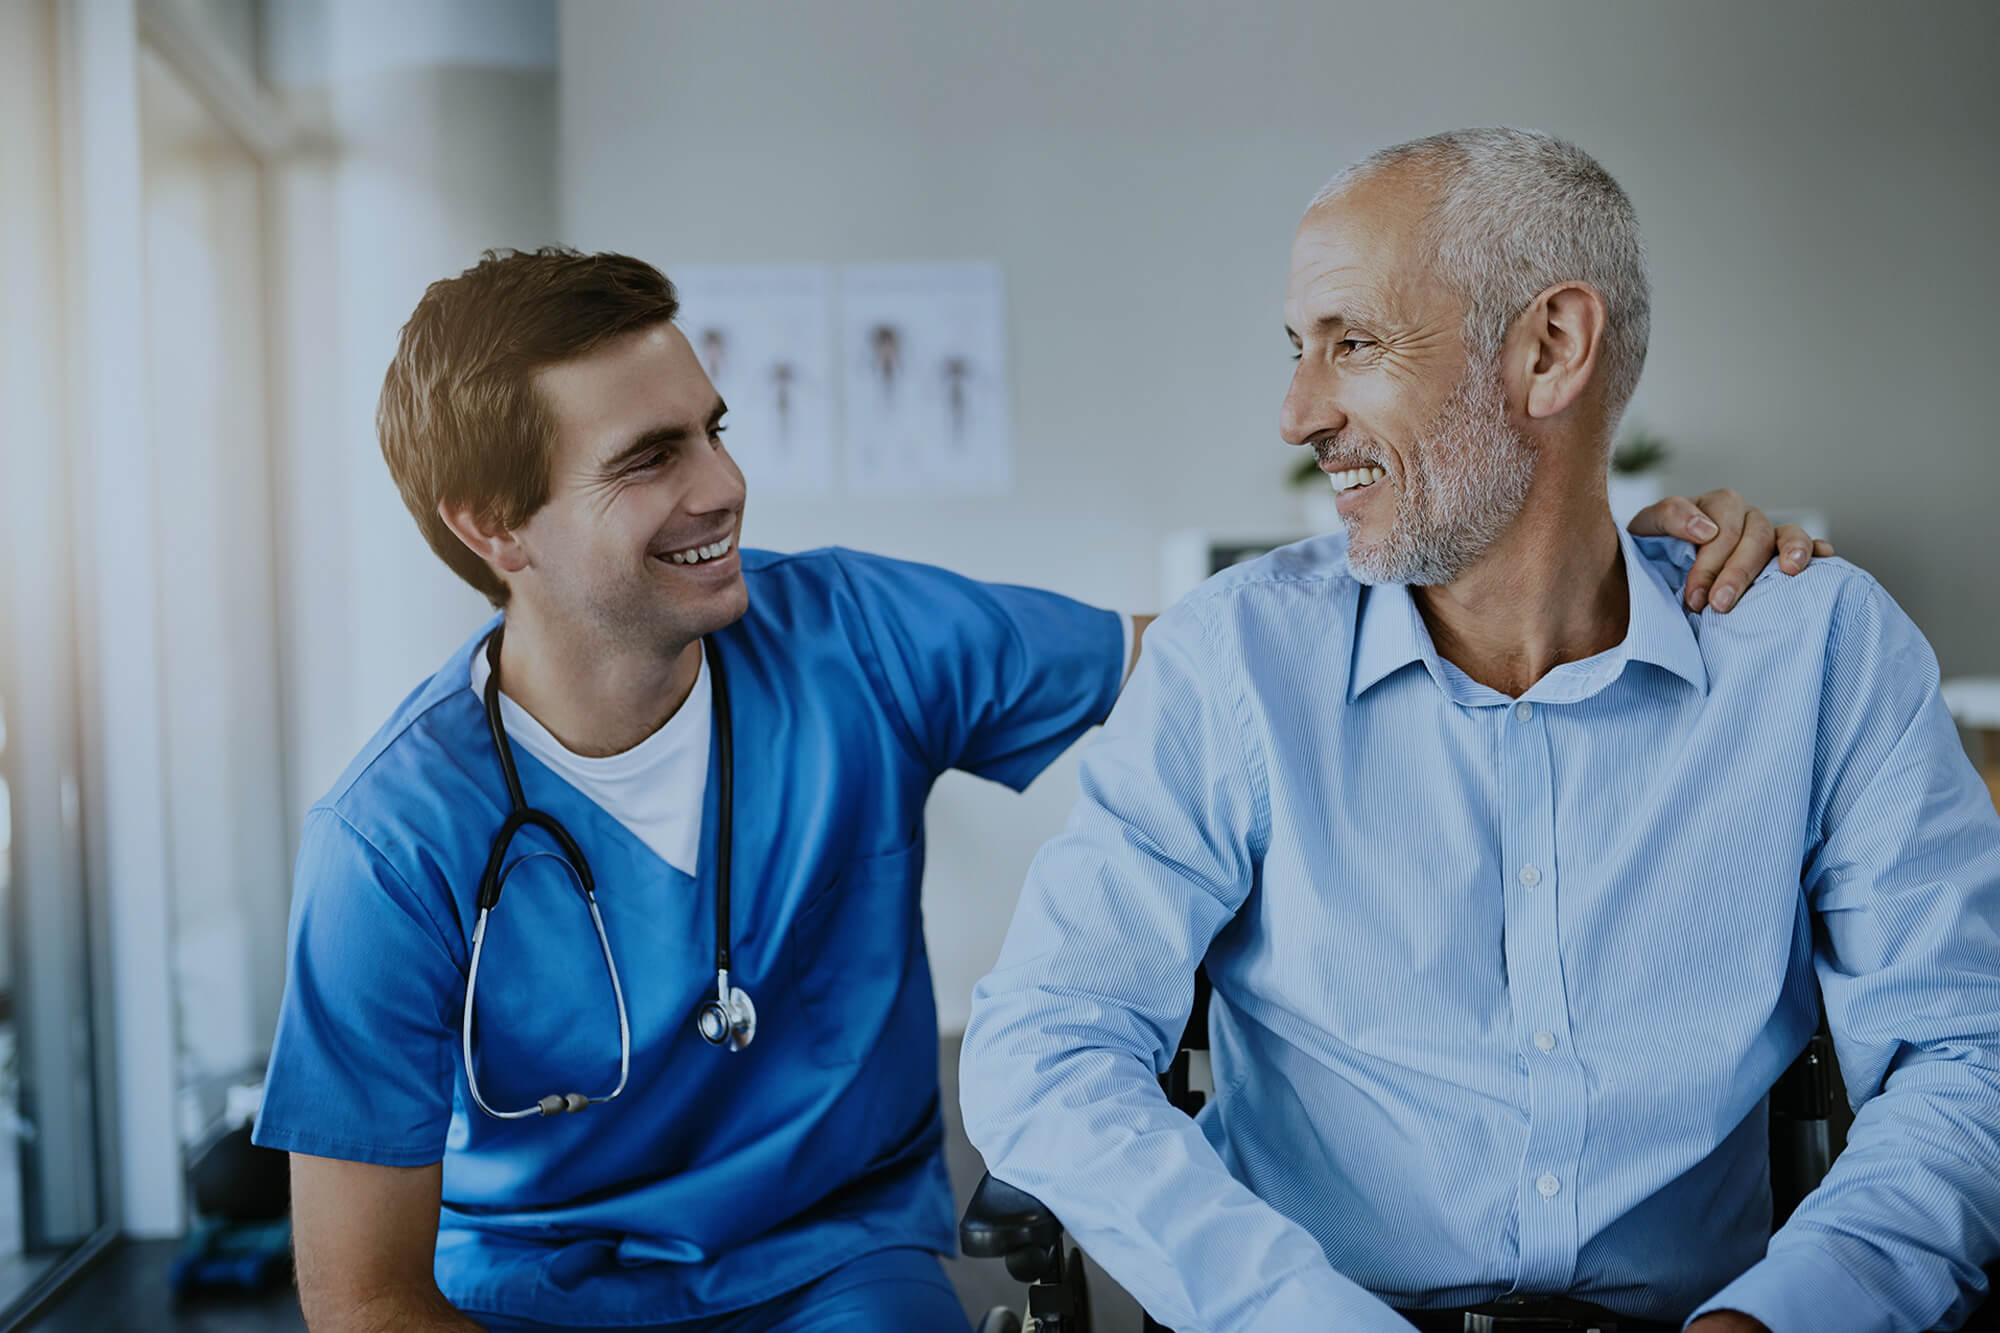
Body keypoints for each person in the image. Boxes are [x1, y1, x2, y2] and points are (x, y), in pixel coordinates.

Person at [252, 246, 1819, 1333]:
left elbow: (1216, 655)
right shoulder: (396, 839)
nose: (724, 485)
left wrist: (1596, 554)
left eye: (714, 429)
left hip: (831, 1270)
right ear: (493, 528)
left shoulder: (852, 633)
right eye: (647, 459)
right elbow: (366, 1291)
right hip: (534, 1296)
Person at [960, 129, 2000, 1333]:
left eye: (1352, 344)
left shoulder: (1815, 654)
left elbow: (1964, 1053)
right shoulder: (1231, 662)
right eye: (1298, 352)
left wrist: (1781, 1316)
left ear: (1549, 348)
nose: (1297, 412)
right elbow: (1048, 1042)